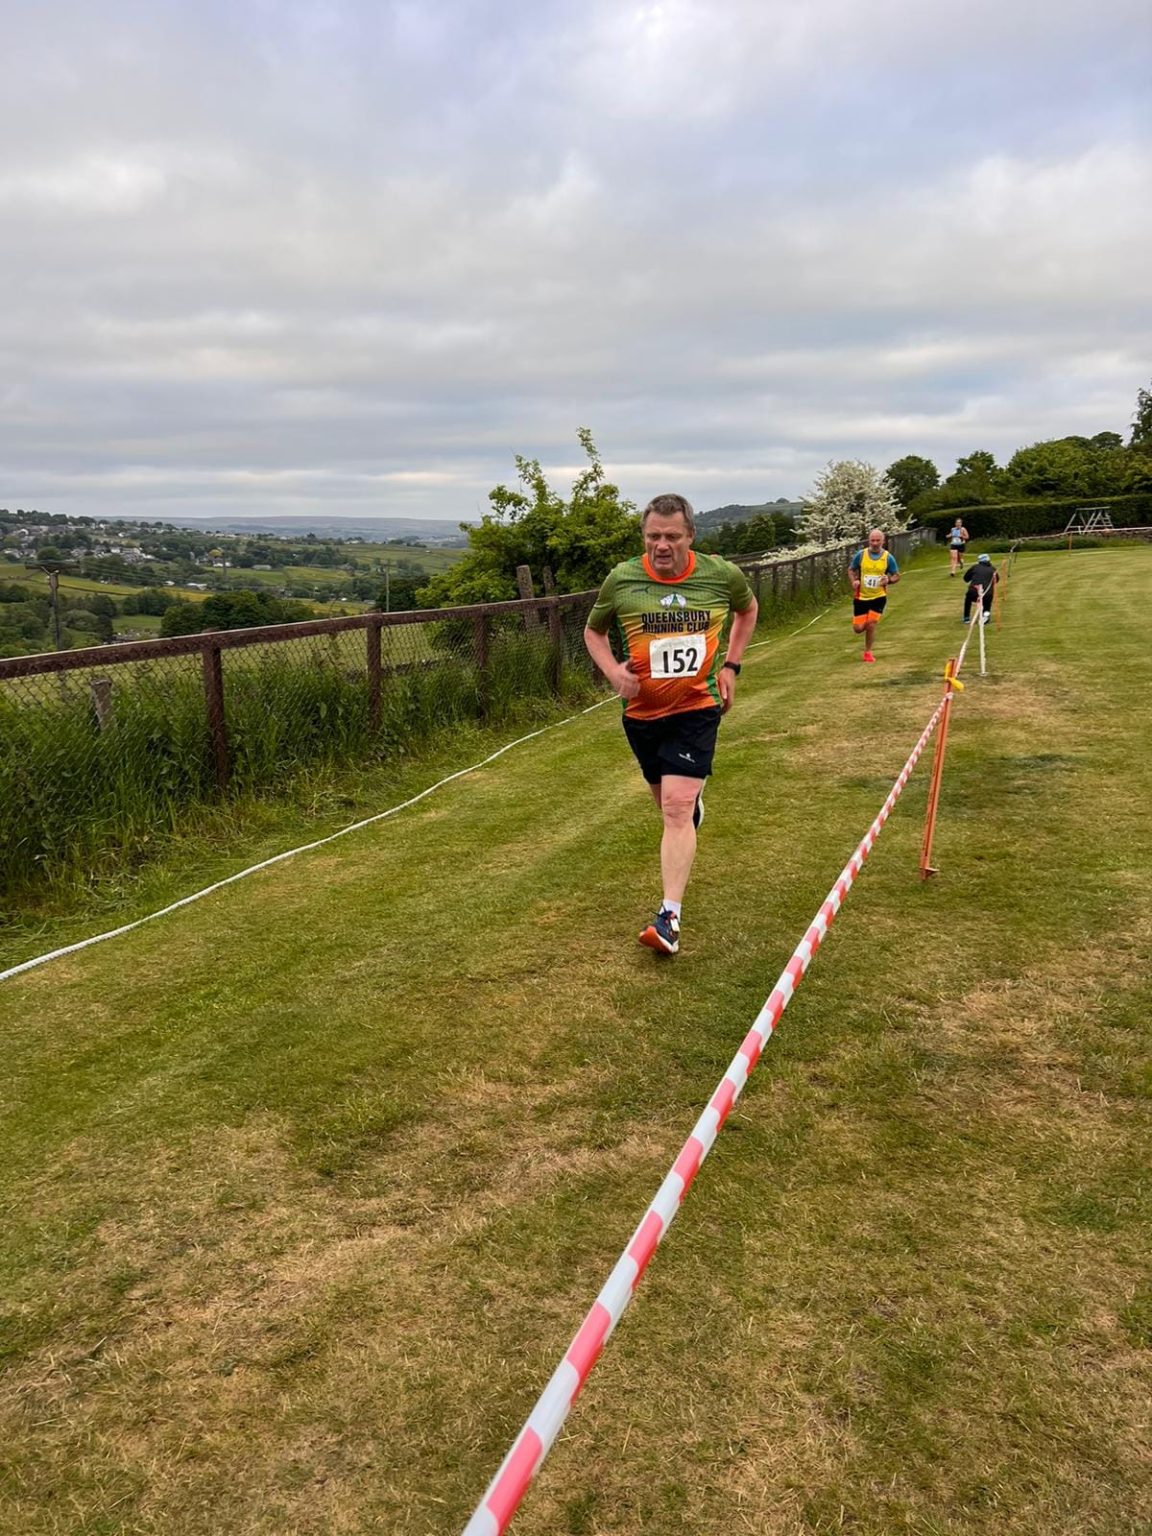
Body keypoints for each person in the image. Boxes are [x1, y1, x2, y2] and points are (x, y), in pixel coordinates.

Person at [583, 493, 758, 955]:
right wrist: (613, 672)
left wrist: (731, 666)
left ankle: (669, 919)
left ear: (690, 536)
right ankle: (691, 809)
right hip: (641, 714)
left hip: (696, 708)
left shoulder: (720, 574)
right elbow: (593, 631)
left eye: (671, 537)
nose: (662, 545)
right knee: (668, 805)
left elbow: (748, 609)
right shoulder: (622, 579)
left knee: (677, 810)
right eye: (653, 536)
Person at [848, 529, 901, 664]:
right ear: (869, 541)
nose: (875, 543)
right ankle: (865, 627)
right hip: (861, 597)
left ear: (883, 541)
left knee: (871, 624)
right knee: (858, 629)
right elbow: (851, 569)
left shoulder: (888, 557)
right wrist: (854, 581)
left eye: (878, 540)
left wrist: (888, 580)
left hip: (879, 596)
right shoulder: (861, 555)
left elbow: (896, 575)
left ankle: (868, 652)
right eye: (873, 540)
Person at [962, 552, 999, 625]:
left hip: (974, 592)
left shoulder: (975, 567)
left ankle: (966, 617)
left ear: (979, 561)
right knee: (987, 603)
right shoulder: (993, 569)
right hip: (987, 593)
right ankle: (985, 617)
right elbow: (996, 580)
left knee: (968, 599)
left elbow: (966, 579)